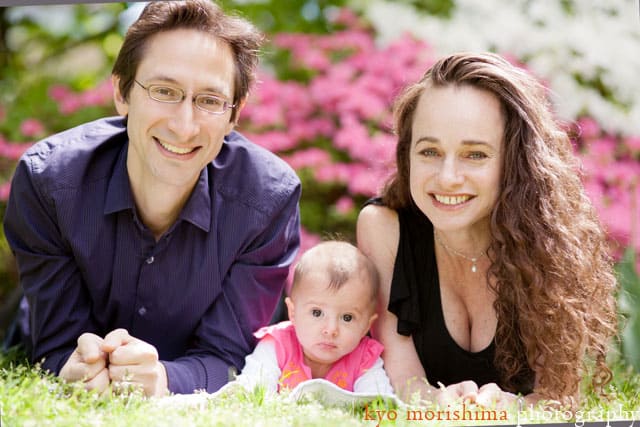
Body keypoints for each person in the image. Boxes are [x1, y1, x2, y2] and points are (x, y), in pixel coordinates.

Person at [3, 0, 301, 397]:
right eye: (164, 91)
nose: (184, 125)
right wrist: (71, 365)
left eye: (210, 100)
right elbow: (56, 343)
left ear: (234, 114)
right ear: (122, 93)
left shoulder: (267, 200)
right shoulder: (48, 182)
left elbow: (229, 356)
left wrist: (165, 379)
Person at [357, 52, 617, 407]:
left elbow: (562, 397)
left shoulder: (549, 244)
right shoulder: (384, 229)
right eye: (430, 151)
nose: (447, 177)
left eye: (475, 155)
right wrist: (441, 404)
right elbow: (405, 384)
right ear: (407, 154)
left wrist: (513, 407)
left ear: (516, 161)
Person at [233, 241, 393, 395]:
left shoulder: (365, 357)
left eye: (347, 317)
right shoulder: (276, 345)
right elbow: (252, 392)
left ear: (366, 326)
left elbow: (380, 402)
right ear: (293, 313)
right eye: (317, 313)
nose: (331, 330)